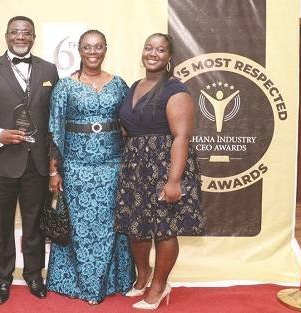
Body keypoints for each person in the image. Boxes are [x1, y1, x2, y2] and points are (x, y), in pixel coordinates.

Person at [0, 16, 59, 305]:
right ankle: (3, 278)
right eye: (15, 32)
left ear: (34, 37)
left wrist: (53, 162)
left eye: (27, 33)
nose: (21, 37)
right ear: (6, 35)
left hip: (37, 164)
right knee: (1, 224)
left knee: (35, 225)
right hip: (1, 162)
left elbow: (54, 119)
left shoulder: (49, 69)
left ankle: (34, 274)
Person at [115, 33, 204, 310]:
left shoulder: (175, 89)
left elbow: (181, 137)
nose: (153, 53)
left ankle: (160, 286)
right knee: (135, 227)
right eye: (148, 48)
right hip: (135, 166)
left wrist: (174, 180)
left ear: (169, 56)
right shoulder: (134, 86)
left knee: (164, 230)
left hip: (164, 166)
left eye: (161, 50)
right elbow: (127, 127)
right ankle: (143, 277)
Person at [47, 29, 135, 305]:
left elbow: (129, 125)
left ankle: (113, 282)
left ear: (105, 49)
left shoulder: (120, 85)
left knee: (110, 225)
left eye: (98, 47)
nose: (93, 52)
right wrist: (54, 171)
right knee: (81, 227)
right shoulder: (65, 86)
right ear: (80, 51)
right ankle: (83, 285)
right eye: (87, 47)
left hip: (112, 166)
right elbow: (55, 130)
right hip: (76, 166)